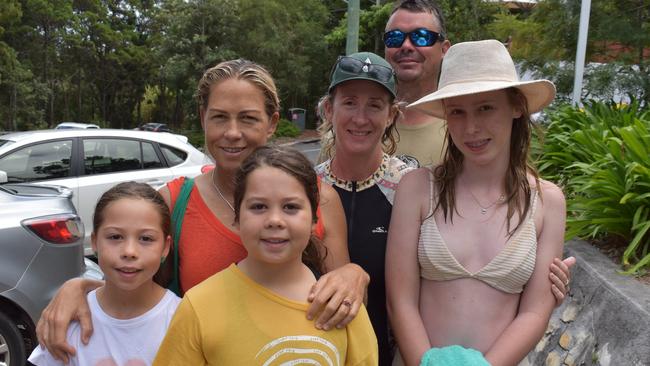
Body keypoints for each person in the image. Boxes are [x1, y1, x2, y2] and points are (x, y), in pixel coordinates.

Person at [36, 59, 369, 363]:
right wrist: (78, 288)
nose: (232, 132)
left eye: (249, 118)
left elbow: (344, 298)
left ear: (272, 123)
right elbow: (133, 275)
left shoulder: (319, 199)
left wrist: (355, 274)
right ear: (203, 118)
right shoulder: (174, 201)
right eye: (220, 117)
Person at [386, 39, 566, 366]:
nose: (471, 128)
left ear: (516, 107)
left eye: (485, 107)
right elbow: (400, 301)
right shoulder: (416, 188)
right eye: (457, 111)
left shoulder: (548, 202)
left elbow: (535, 311)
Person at [153, 146, 378, 365]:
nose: (274, 220)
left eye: (290, 207)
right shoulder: (199, 306)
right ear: (237, 218)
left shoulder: (340, 304)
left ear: (314, 220)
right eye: (259, 206)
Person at [316, 51, 409, 365]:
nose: (360, 118)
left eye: (374, 105)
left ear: (391, 115)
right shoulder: (304, 188)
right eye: (350, 102)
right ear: (329, 109)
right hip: (316, 352)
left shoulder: (412, 188)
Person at [28, 182, 180, 366]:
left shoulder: (182, 319)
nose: (129, 251)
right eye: (115, 237)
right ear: (94, 242)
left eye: (146, 238)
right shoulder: (69, 321)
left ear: (165, 247)